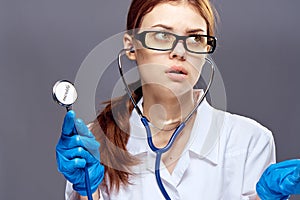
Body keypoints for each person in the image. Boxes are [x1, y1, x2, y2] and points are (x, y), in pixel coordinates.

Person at [56, 0, 276, 199]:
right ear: (131, 47)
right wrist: (87, 191)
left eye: (196, 38)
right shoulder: (92, 144)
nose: (180, 52)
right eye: (162, 36)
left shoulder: (250, 141)